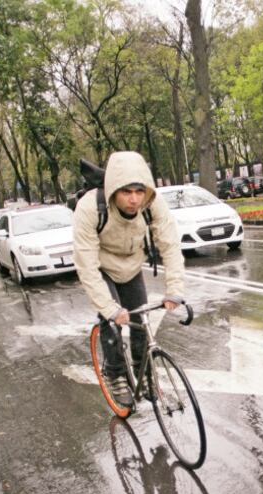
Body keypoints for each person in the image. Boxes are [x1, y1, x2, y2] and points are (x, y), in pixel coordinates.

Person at [72, 151, 185, 407]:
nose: (134, 199)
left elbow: (170, 245)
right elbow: (86, 265)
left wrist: (174, 289)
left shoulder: (152, 203)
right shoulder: (90, 207)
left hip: (132, 265)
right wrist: (110, 309)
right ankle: (116, 373)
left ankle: (144, 371)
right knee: (111, 321)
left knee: (139, 319)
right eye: (126, 192)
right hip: (101, 265)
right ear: (113, 190)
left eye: (139, 191)